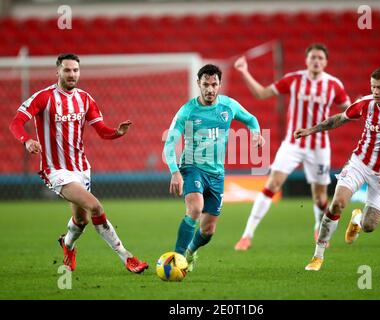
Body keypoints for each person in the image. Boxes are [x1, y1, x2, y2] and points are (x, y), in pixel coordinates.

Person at [9, 53, 149, 273]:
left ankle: (67, 244)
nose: (72, 74)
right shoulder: (43, 97)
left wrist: (117, 133)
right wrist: (26, 140)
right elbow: (16, 122)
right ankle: (127, 258)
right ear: (58, 72)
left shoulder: (85, 98)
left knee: (81, 220)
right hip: (56, 169)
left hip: (81, 168)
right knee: (95, 207)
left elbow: (101, 130)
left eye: (75, 70)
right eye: (67, 70)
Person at [294, 67, 380, 271]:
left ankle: (357, 221)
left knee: (370, 225)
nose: (375, 92)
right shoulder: (365, 104)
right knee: (337, 204)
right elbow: (339, 118)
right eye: (373, 87)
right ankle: (318, 256)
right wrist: (312, 130)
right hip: (359, 163)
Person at [233, 43, 351, 250]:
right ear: (306, 60)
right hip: (292, 143)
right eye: (313, 57)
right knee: (272, 185)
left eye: (320, 58)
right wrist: (244, 71)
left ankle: (319, 228)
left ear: (326, 62)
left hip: (319, 146)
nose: (316, 61)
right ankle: (247, 235)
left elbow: (347, 109)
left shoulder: (334, 85)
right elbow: (262, 94)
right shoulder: (294, 79)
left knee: (320, 197)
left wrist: (361, 105)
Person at [163, 64, 265, 271]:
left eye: (214, 84)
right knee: (195, 209)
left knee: (208, 230)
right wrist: (175, 171)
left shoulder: (228, 106)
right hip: (192, 167)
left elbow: (251, 119)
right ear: (198, 84)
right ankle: (177, 259)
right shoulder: (187, 111)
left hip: (217, 174)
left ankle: (191, 252)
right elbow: (169, 143)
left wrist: (256, 132)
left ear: (219, 84)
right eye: (206, 84)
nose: (210, 89)